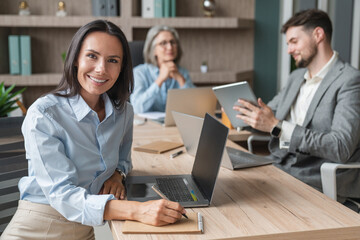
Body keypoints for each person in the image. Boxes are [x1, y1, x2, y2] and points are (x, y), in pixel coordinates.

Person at [2, 20, 186, 239]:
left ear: (121, 68)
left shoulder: (124, 112)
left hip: (85, 229)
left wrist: (118, 175)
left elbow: (124, 160)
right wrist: (137, 211)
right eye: (92, 56)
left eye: (112, 60)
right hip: (40, 225)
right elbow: (62, 195)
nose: (101, 69)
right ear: (76, 60)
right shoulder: (44, 114)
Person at [234, 9, 360, 211]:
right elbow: (268, 117)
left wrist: (278, 128)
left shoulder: (350, 81)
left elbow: (341, 146)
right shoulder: (296, 77)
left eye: (294, 41)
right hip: (280, 167)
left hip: (315, 176)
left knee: (246, 204)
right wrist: (241, 113)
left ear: (318, 35)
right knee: (232, 189)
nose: (289, 50)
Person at [130, 25, 195, 114]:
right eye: (163, 43)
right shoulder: (139, 73)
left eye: (172, 42)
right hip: (149, 126)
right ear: (153, 50)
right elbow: (137, 108)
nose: (170, 47)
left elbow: (195, 107)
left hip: (174, 126)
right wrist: (160, 80)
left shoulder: (182, 72)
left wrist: (181, 80)